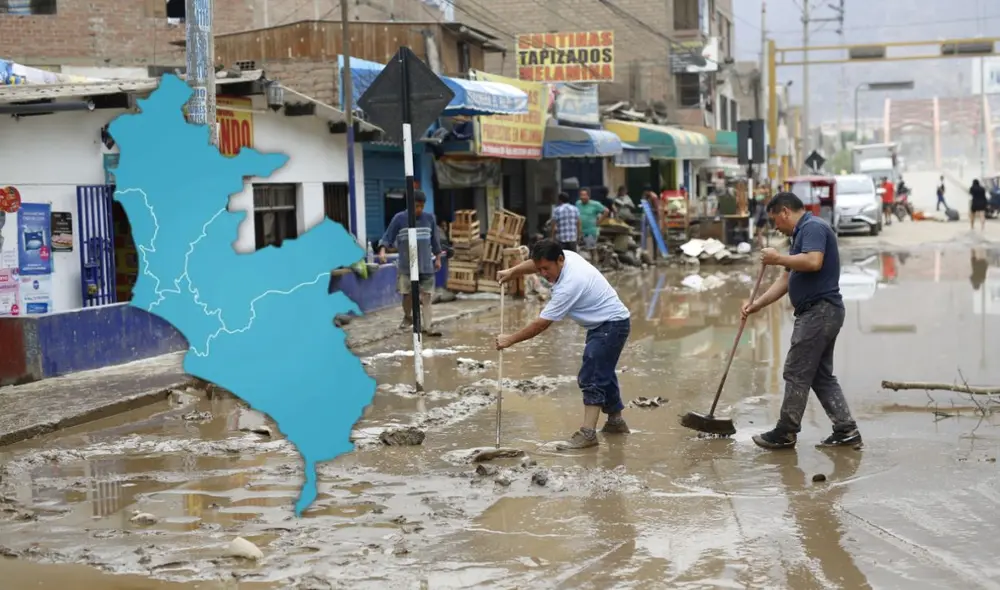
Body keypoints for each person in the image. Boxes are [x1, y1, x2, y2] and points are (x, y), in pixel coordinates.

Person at [741, 192, 862, 451]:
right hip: (822, 313)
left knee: (796, 371)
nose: (775, 226)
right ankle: (846, 430)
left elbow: (813, 261)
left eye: (775, 219)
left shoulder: (813, 227)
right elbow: (786, 280)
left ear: (785, 211)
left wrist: (777, 258)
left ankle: (785, 431)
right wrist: (756, 305)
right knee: (820, 376)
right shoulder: (800, 235)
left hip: (819, 312)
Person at [495, 239, 632, 450]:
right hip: (606, 323)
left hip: (611, 325)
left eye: (546, 269)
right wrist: (512, 272)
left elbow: (541, 324)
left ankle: (588, 433)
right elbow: (535, 263)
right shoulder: (566, 257)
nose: (543, 274)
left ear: (559, 260)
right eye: (539, 269)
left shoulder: (569, 284)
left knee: (592, 375)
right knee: (603, 371)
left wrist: (510, 339)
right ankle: (615, 422)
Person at [378, 190, 444, 336]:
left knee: (427, 297)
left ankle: (428, 327)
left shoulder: (429, 219)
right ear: (410, 204)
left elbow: (435, 241)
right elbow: (387, 236)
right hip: (406, 266)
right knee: (407, 295)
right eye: (416, 206)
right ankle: (408, 317)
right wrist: (382, 251)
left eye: (422, 206)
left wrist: (438, 259)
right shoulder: (399, 219)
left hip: (426, 265)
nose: (419, 209)